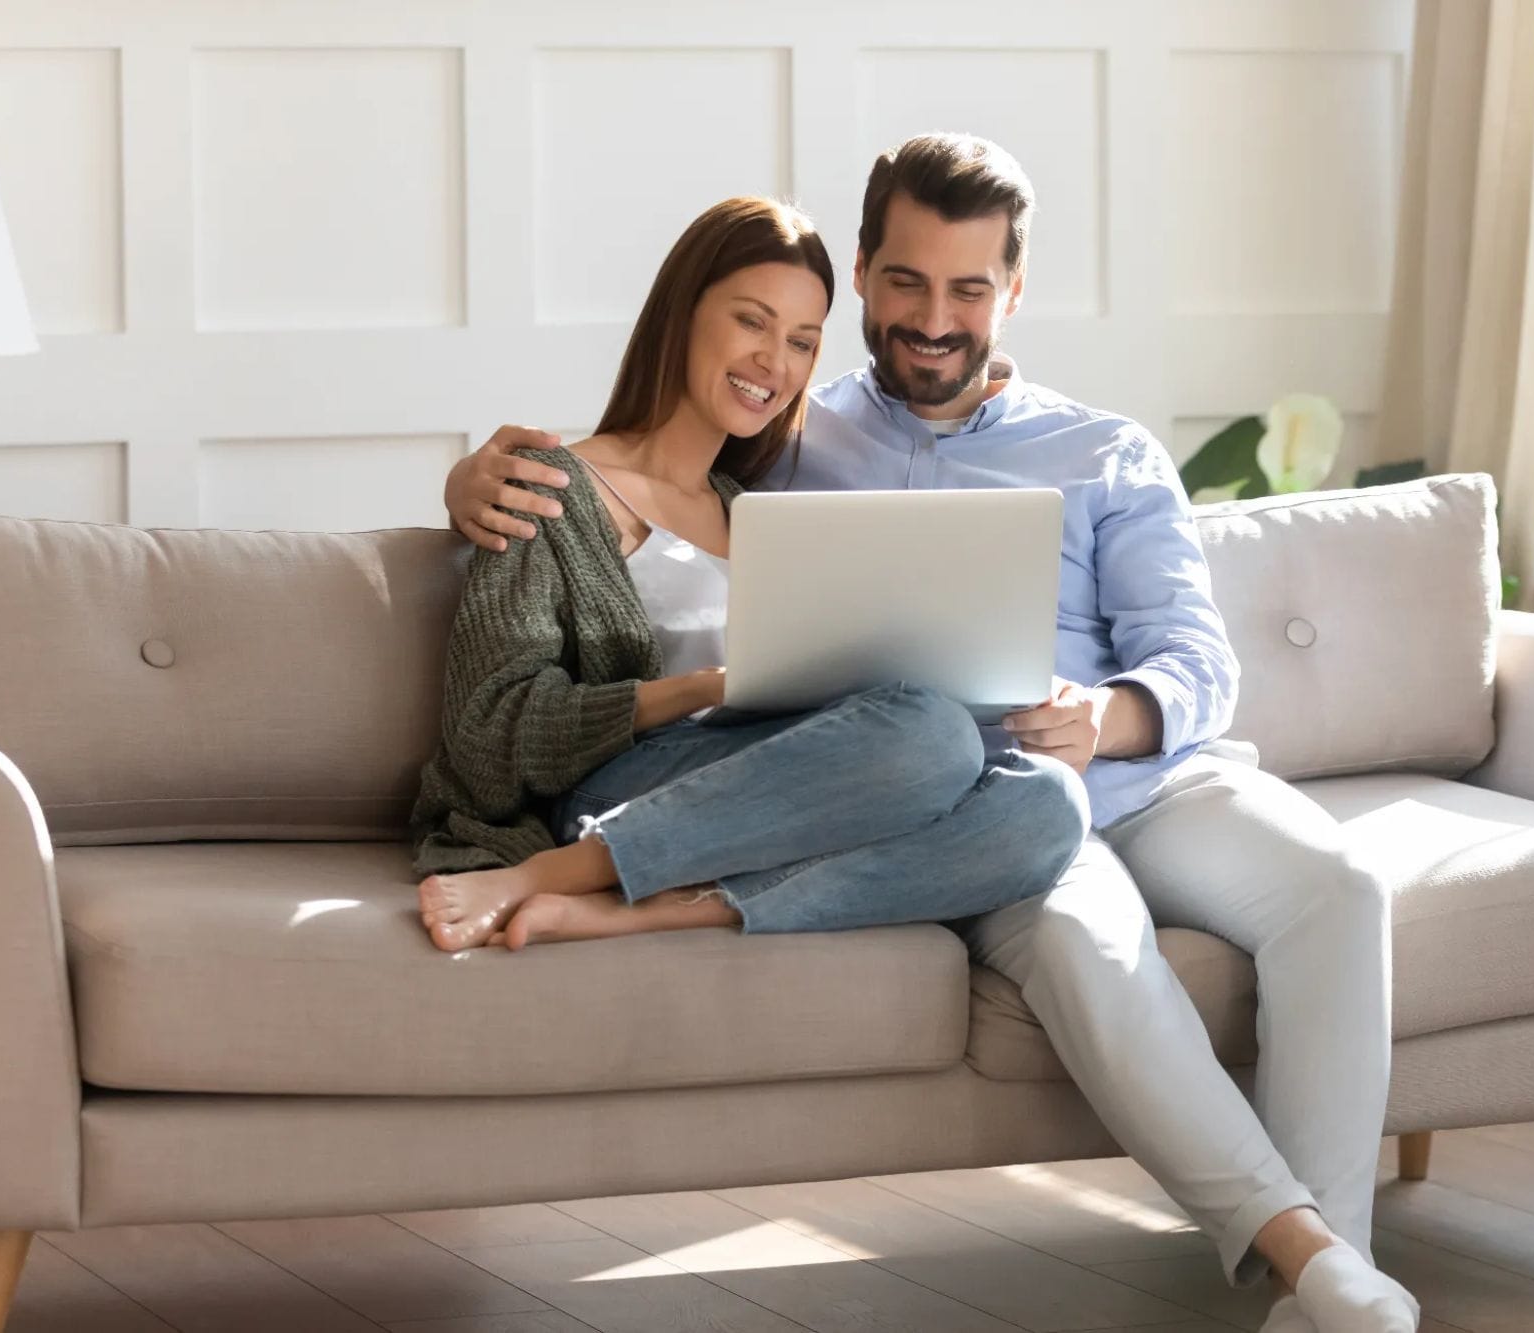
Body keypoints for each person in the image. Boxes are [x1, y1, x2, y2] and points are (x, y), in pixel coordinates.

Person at [444, 140, 1415, 1333]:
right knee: (1083, 946)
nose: (933, 319)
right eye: (905, 283)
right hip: (976, 803)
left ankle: (1333, 1282)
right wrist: (471, 480)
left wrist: (1104, 717)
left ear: (1012, 293)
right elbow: (624, 495)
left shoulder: (1102, 452)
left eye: (967, 290)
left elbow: (1198, 661)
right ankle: (1313, 1267)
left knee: (1338, 887)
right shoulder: (789, 439)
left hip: (1137, 771)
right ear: (861, 274)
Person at [411, 194, 1089, 957]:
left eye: (802, 341)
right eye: (752, 321)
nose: (775, 362)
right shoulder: (545, 485)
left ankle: (662, 908)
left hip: (769, 790)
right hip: (619, 790)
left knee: (1050, 804)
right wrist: (706, 686)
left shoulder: (759, 509)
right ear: (684, 310)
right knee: (932, 735)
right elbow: (487, 734)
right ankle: (561, 870)